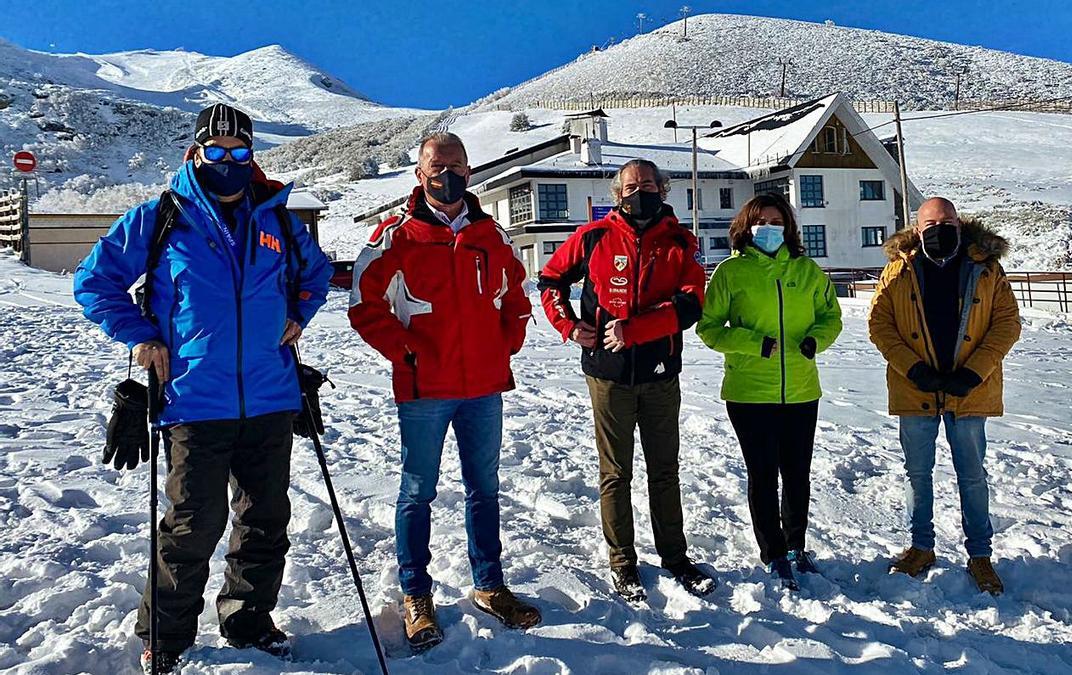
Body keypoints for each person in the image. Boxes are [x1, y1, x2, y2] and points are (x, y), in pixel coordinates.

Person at [74, 103, 333, 673]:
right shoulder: (161, 217)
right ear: (195, 153)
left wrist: (299, 312)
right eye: (215, 150)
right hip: (194, 398)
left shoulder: (278, 220)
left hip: (270, 395)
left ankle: (248, 620)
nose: (228, 160)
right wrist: (139, 335)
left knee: (265, 519)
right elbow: (94, 280)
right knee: (192, 525)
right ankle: (165, 638)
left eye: (239, 150)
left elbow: (316, 273)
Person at [348, 132, 539, 650]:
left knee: (485, 488)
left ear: (470, 171)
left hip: (482, 387)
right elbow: (363, 304)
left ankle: (490, 585)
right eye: (437, 166)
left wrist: (505, 345)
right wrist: (404, 351)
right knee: (417, 491)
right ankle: (415, 595)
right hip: (425, 389)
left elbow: (516, 298)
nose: (447, 174)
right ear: (420, 173)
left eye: (456, 165)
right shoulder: (396, 236)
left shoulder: (490, 235)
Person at [538, 158, 715, 603]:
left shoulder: (680, 241)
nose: (641, 192)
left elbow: (693, 303)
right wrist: (569, 326)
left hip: (659, 375)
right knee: (615, 473)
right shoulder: (593, 236)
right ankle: (623, 562)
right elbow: (551, 280)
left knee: (664, 472)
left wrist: (635, 330)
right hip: (608, 377)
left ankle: (676, 558)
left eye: (650, 185)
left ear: (664, 189)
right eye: (632, 186)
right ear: (618, 194)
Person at [867, 196, 1021, 595]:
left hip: (968, 392)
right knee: (917, 474)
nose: (941, 228)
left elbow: (1006, 323)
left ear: (960, 222)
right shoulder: (899, 269)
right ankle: (921, 547)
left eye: (948, 221)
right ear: (917, 229)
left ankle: (980, 555)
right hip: (915, 388)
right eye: (931, 223)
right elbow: (880, 323)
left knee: (972, 476)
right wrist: (912, 368)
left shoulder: (985, 267)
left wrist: (974, 372)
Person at [696, 192, 842, 590]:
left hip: (800, 389)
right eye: (762, 222)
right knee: (763, 475)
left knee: (797, 474)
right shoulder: (731, 272)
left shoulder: (808, 271)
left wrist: (817, 340)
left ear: (788, 227)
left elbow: (831, 316)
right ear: (747, 226)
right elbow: (709, 329)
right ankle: (773, 552)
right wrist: (753, 343)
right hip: (749, 392)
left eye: (777, 223)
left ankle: (796, 546)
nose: (769, 229)